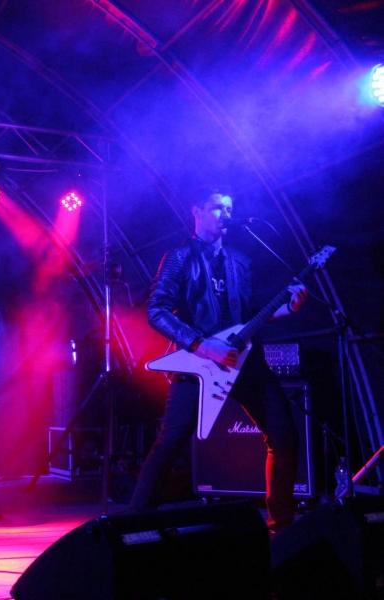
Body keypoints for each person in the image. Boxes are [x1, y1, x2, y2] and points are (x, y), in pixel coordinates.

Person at [128, 185, 308, 536]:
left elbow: (250, 315)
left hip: (244, 361)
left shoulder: (241, 261)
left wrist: (287, 309)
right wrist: (201, 344)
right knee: (170, 443)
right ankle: (135, 527)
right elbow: (156, 310)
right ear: (196, 212)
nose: (225, 214)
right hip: (198, 364)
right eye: (216, 207)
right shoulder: (179, 257)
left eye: (228, 207)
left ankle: (282, 528)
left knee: (284, 436)